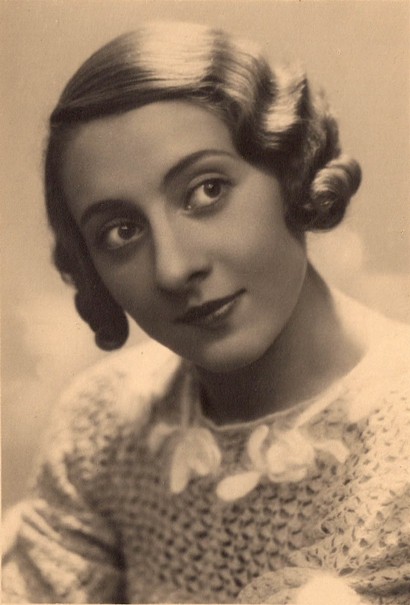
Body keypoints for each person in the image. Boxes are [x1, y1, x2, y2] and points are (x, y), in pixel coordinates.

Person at [2, 21, 409, 604]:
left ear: (291, 171)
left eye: (206, 190)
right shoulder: (102, 429)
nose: (173, 268)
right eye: (121, 231)